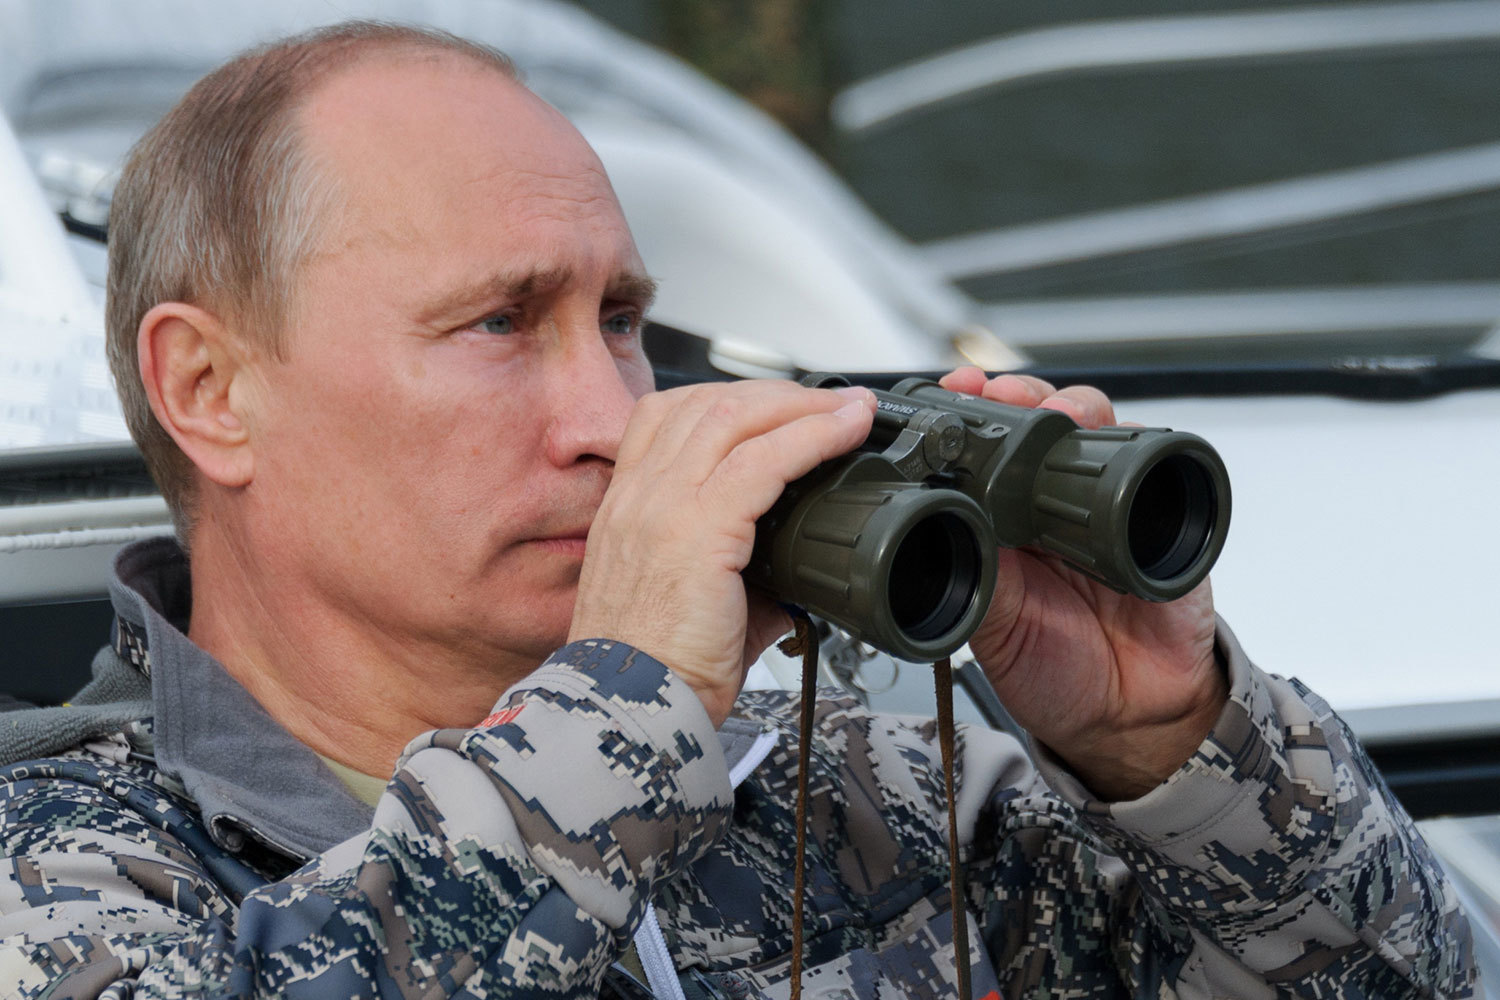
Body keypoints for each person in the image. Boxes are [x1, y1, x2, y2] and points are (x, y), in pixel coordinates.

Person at [0, 20, 1475, 999]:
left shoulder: (873, 801)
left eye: (621, 320)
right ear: (208, 389)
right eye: (500, 323)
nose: (611, 416)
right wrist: (626, 714)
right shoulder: (66, 867)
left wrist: (1171, 748)